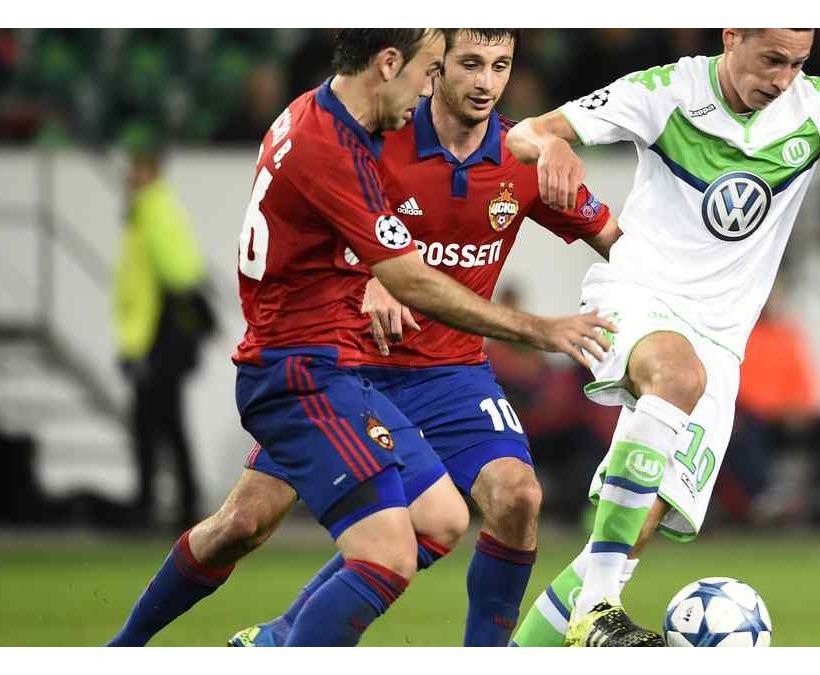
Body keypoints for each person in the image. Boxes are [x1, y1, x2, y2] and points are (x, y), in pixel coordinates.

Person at [505, 28, 820, 646]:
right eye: (771, 59)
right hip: (641, 293)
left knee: (629, 532)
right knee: (676, 376)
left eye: (797, 63)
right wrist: (552, 148)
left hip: (722, 342)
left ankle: (524, 650)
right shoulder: (668, 91)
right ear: (732, 36)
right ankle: (596, 609)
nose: (782, 79)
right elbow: (525, 131)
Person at [106, 28, 613, 647]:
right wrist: (381, 275)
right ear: (424, 66)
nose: (483, 81)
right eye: (463, 64)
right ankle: (167, 647)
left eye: (501, 66)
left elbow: (613, 235)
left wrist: (556, 143)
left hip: (446, 373)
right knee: (246, 523)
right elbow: (370, 238)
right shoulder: (375, 133)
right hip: (343, 364)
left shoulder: (516, 153)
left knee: (504, 500)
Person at [112, 149, 213, 530]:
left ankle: (159, 506)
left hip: (160, 336)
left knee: (156, 423)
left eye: (135, 168)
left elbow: (177, 273)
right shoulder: (151, 210)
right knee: (164, 422)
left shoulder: (153, 210)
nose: (129, 176)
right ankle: (177, 504)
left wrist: (139, 344)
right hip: (153, 336)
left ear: (149, 171)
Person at [723, 288, 819, 524]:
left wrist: (799, 407)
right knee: (749, 430)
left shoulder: (788, 334)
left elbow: (804, 379)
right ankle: (765, 494)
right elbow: (737, 383)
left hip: (788, 415)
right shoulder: (739, 332)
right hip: (754, 414)